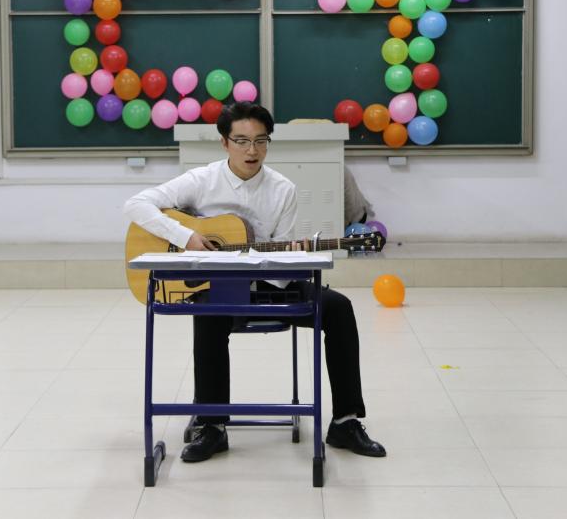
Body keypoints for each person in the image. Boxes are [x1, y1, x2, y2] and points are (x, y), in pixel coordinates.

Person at [123, 101, 386, 462]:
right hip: (214, 286)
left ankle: (345, 422)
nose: (252, 151)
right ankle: (212, 426)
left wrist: (287, 258)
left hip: (267, 286)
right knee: (210, 311)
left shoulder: (283, 189)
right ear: (224, 142)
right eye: (242, 141)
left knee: (339, 308)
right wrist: (186, 236)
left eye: (261, 141)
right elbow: (136, 204)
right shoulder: (202, 180)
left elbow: (282, 269)